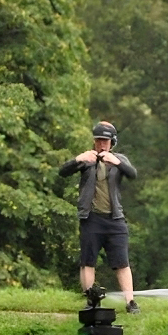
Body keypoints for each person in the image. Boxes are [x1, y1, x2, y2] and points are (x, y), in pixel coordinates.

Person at [59, 121, 139, 312]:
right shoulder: (87, 159)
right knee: (88, 260)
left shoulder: (119, 159)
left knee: (122, 262)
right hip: (91, 218)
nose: (102, 144)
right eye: (99, 140)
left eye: (106, 141)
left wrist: (116, 162)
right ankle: (91, 300)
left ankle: (130, 302)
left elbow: (133, 174)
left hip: (115, 219)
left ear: (112, 143)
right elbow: (63, 172)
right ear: (94, 141)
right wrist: (78, 159)